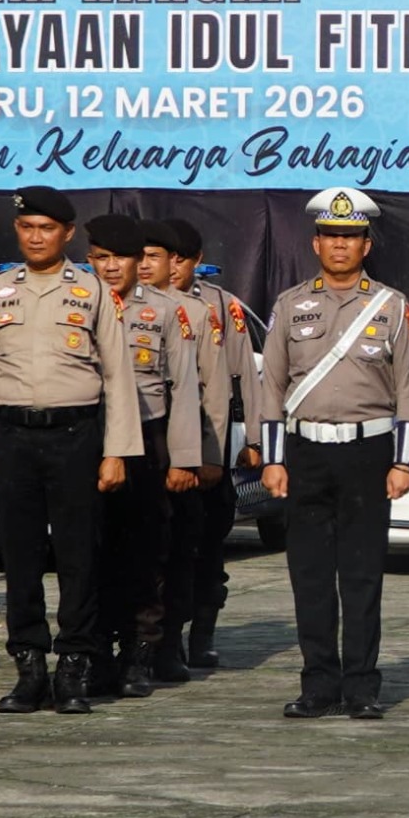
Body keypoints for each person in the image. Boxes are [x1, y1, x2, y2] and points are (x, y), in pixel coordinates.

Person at [0, 186, 137, 711]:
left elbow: (118, 376)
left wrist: (116, 451)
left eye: (46, 229)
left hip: (75, 436)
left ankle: (74, 670)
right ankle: (29, 667)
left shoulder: (91, 291)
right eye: (27, 227)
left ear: (67, 234)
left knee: (79, 555)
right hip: (11, 437)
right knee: (21, 554)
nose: (36, 237)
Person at [254, 186, 409, 721]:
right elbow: (272, 389)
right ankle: (317, 684)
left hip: (368, 454)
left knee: (361, 575)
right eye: (331, 236)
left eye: (350, 237)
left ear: (366, 245)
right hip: (305, 453)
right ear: (316, 242)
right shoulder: (290, 305)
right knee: (308, 574)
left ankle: (362, 687)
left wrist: (403, 462)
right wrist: (274, 459)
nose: (340, 246)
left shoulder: (392, 307)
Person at [82, 214, 208, 694]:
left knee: (145, 550)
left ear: (140, 261)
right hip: (87, 435)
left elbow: (184, 389)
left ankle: (140, 652)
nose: (111, 267)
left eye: (121, 258)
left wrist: (183, 459)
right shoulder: (76, 301)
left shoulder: (166, 310)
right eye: (101, 258)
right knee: (88, 550)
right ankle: (92, 652)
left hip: (147, 436)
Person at [151, 215, 254, 672]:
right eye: (163, 257)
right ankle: (161, 639)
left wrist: (252, 435)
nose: (172, 268)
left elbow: (241, 376)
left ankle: (202, 634)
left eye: (180, 259)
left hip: (209, 438)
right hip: (157, 442)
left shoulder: (218, 306)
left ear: (197, 262)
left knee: (208, 548)